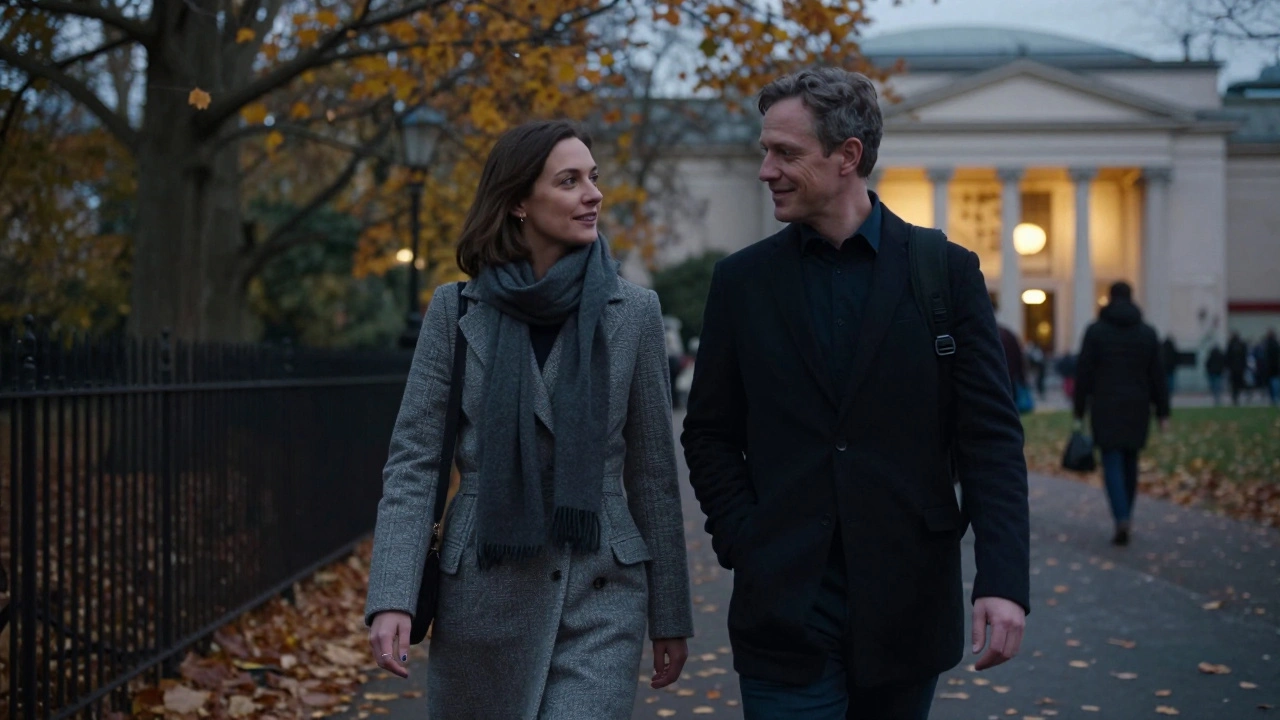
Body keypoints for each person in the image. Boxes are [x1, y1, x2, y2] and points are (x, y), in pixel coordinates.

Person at [681, 67, 1030, 720]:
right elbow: (709, 434)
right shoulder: (742, 282)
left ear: (847, 156)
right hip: (784, 610)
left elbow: (990, 440)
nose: (766, 170)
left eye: (785, 152)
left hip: (907, 608)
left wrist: (1004, 580)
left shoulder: (946, 273)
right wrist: (746, 540)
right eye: (765, 150)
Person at [364, 120, 693, 718]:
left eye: (593, 178)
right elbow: (414, 464)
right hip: (482, 596)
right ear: (518, 201)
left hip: (600, 592)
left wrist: (669, 614)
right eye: (569, 181)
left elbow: (652, 475)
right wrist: (393, 595)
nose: (593, 194)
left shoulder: (634, 312)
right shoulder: (455, 310)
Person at [1072, 281, 1171, 547]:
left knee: (1112, 461)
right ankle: (1127, 513)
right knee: (1131, 461)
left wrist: (1079, 410)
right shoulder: (1147, 333)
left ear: (1109, 298)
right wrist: (1163, 412)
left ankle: (1121, 516)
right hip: (1138, 406)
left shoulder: (1096, 332)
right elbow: (1157, 376)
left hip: (1105, 406)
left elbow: (1084, 374)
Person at [1226, 332, 1249, 405]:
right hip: (1240, 368)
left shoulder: (1231, 345)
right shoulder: (1242, 345)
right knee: (1240, 382)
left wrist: (1227, 367)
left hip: (1233, 369)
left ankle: (1235, 397)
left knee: (1234, 384)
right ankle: (1240, 394)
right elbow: (1244, 356)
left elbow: (1227, 357)